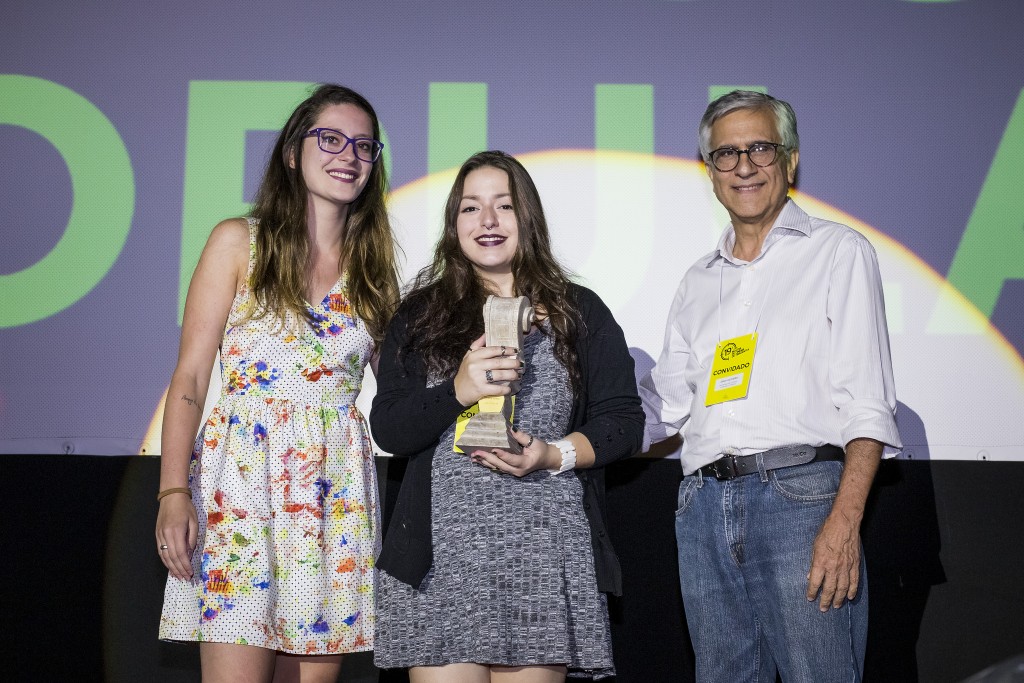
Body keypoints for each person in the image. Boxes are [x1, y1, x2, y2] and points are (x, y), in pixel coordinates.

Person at [639, 90, 902, 682]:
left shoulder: (838, 253)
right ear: (709, 173)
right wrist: (568, 429)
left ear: (790, 160)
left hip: (801, 501)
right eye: (726, 154)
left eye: (760, 147)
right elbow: (666, 405)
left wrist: (843, 522)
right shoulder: (696, 282)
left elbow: (868, 404)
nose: (744, 166)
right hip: (703, 508)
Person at [154, 84, 399, 682]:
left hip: (333, 500)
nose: (349, 155)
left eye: (364, 146)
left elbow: (403, 397)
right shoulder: (239, 242)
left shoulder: (373, 273)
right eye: (332, 139)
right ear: (294, 151)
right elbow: (190, 375)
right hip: (242, 491)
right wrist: (171, 493)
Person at [370, 150, 643, 682]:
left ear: (529, 219)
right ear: (454, 224)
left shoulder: (577, 311)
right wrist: (457, 390)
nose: (488, 221)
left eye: (504, 205)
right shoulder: (422, 313)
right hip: (442, 560)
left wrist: (552, 455)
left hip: (541, 549)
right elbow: (390, 428)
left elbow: (623, 422)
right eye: (471, 208)